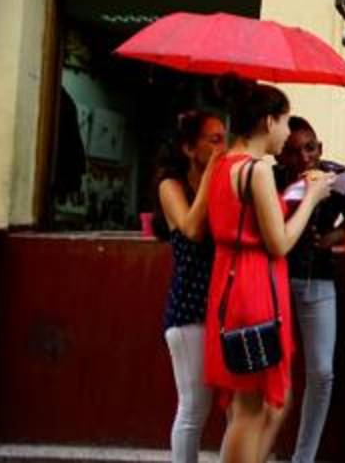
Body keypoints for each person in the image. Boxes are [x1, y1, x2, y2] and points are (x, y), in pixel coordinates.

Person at [204, 76, 334, 463]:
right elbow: (279, 242)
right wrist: (311, 197)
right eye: (284, 121)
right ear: (266, 121)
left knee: (255, 404)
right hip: (254, 285)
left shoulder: (225, 163)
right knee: (251, 408)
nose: (286, 132)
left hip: (229, 281)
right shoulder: (256, 170)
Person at [155, 110, 226, 463]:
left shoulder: (222, 184)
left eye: (224, 139)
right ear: (188, 147)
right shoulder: (172, 186)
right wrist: (214, 169)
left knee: (231, 406)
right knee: (195, 406)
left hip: (223, 307)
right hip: (188, 310)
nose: (222, 147)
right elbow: (192, 229)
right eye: (214, 140)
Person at [276, 116, 345, 463]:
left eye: (310, 148)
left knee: (321, 372)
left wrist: (336, 236)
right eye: (293, 151)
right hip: (276, 281)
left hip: (319, 280)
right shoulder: (271, 179)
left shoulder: (338, 177)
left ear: (320, 148)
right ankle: (265, 449)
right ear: (281, 157)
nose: (305, 157)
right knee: (276, 371)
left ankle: (304, 457)